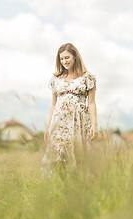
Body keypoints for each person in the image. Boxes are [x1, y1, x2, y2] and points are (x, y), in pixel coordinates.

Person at [41, 43, 98, 171]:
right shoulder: (55, 79)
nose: (64, 61)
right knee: (58, 156)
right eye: (61, 59)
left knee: (79, 155)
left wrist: (94, 124)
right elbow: (54, 105)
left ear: (75, 57)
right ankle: (58, 187)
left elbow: (92, 102)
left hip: (79, 121)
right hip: (59, 123)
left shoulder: (87, 77)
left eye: (67, 58)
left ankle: (78, 187)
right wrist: (48, 128)